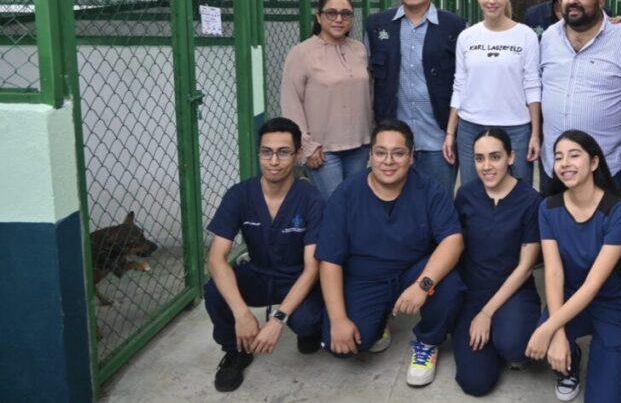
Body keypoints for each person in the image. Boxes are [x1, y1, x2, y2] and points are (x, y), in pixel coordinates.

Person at [316, 119, 466, 387]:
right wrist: (338, 319)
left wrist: (423, 285)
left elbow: (453, 240)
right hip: (365, 278)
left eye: (398, 153)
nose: (388, 161)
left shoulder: (429, 190)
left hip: (412, 272)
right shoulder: (347, 194)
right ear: (370, 155)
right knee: (343, 346)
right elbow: (329, 259)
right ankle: (381, 318)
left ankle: (428, 341)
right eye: (381, 152)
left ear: (411, 157)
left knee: (450, 284)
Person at [204, 117, 325, 393]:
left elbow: (311, 269)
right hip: (259, 273)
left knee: (306, 321)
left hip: (297, 277)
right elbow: (216, 258)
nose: (274, 161)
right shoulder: (239, 195)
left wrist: (278, 319)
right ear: (259, 153)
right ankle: (237, 350)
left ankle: (308, 330)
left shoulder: (311, 199)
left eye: (283, 152)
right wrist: (241, 313)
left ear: (296, 156)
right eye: (266, 152)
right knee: (214, 291)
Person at [525, 130, 621, 402]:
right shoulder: (548, 208)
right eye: (558, 157)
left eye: (574, 155)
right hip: (569, 296)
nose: (565, 163)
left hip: (614, 303)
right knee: (529, 343)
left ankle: (615, 353)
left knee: (604, 397)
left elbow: (592, 285)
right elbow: (553, 272)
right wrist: (557, 335)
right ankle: (571, 356)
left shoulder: (617, 212)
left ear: (594, 162)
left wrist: (548, 328)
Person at [452, 128, 543, 396]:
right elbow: (453, 248)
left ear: (510, 157)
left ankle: (503, 334)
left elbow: (526, 267)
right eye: (480, 159)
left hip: (514, 289)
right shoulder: (466, 195)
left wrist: (487, 314)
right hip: (473, 291)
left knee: (514, 347)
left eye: (495, 157)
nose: (487, 166)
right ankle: (487, 339)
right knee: (475, 383)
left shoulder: (531, 200)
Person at [364, 0, 467, 195]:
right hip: (394, 141)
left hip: (438, 138)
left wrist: (452, 132)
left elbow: (464, 81)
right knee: (395, 201)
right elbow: (368, 79)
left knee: (439, 201)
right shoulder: (378, 25)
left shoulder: (454, 26)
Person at [539, 0, 621, 194]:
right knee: (551, 229)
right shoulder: (548, 38)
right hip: (554, 168)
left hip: (604, 168)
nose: (572, 0)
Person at [443, 0, 541, 187]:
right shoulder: (466, 37)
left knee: (518, 194)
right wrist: (451, 132)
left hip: (516, 128)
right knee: (473, 195)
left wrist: (535, 133)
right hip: (470, 128)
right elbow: (459, 85)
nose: (492, 0)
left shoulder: (525, 36)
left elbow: (533, 86)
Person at [281, 0, 372, 199]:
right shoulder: (301, 53)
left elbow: (370, 95)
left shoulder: (359, 50)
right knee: (334, 205)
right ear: (319, 16)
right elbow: (291, 103)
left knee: (357, 202)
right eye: (331, 13)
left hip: (359, 145)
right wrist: (306, 147)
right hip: (322, 150)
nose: (339, 19)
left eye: (346, 14)